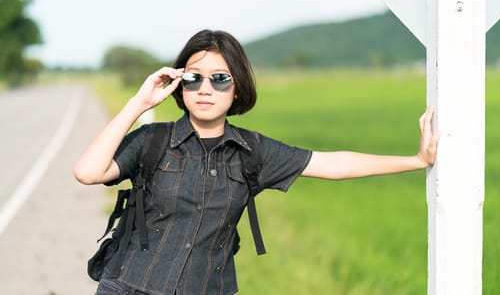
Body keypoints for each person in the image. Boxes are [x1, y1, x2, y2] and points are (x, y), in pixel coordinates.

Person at [74, 29, 439, 295]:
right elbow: (87, 172)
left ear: (237, 89)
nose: (205, 89)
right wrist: (139, 104)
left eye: (220, 79)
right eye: (193, 78)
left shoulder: (252, 152)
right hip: (130, 286)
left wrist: (417, 159)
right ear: (179, 85)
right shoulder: (152, 141)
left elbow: (334, 165)